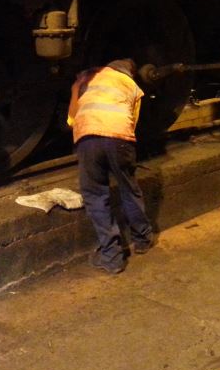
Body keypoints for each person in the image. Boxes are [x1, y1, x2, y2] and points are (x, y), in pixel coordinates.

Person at [67, 58, 157, 274]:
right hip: (120, 139)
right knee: (129, 189)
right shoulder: (132, 86)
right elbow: (132, 123)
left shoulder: (85, 78)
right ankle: (142, 240)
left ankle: (112, 257)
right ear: (130, 72)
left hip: (88, 138)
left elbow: (71, 120)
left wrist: (74, 92)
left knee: (96, 195)